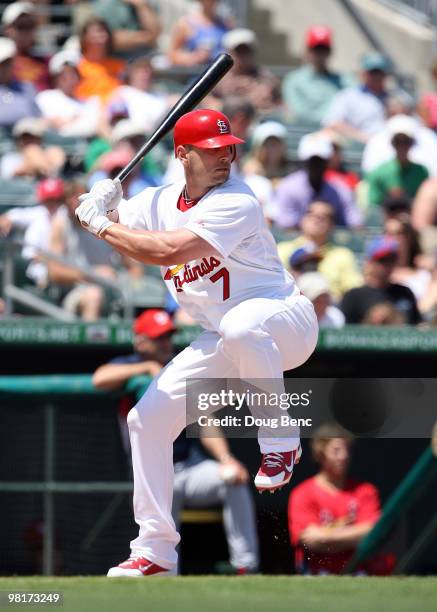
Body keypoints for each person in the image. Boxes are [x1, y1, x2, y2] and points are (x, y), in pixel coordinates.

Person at [74, 107, 319, 577]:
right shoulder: (159, 201)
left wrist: (102, 224)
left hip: (284, 320)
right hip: (224, 336)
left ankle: (281, 441)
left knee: (243, 326)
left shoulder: (237, 200)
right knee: (146, 421)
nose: (225, 157)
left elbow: (165, 251)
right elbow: (119, 224)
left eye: (228, 149)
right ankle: (156, 551)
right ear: (182, 155)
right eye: (212, 151)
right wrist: (100, 200)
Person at [93, 308, 259, 574]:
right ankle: (166, 575)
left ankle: (246, 567)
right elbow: (99, 378)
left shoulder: (179, 366)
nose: (165, 342)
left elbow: (205, 420)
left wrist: (227, 459)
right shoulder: (128, 363)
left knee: (233, 480)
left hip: (189, 467)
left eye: (168, 336)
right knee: (161, 529)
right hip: (154, 471)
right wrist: (145, 368)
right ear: (140, 341)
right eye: (158, 337)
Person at [288, 423, 394, 575]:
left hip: (359, 572)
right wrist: (354, 536)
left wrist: (325, 535)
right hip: (316, 573)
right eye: (336, 450)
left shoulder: (365, 491)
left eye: (346, 449)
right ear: (320, 454)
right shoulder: (302, 493)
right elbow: (308, 540)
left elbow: (373, 533)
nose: (344, 456)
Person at [47, 179, 120, 321]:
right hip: (76, 290)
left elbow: (131, 263)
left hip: (112, 287)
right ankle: (93, 342)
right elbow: (55, 272)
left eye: (80, 197)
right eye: (72, 198)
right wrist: (93, 274)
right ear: (65, 202)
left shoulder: (105, 219)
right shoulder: (60, 224)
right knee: (93, 295)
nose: (76, 203)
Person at [277, 200, 362, 302]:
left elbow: (353, 289)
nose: (317, 219)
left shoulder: (342, 255)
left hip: (330, 309)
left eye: (324, 217)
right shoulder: (282, 249)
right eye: (311, 214)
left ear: (332, 225)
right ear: (302, 220)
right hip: (290, 306)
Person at [271, 133, 361, 230]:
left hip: (330, 244)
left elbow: (355, 222)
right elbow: (286, 225)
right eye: (312, 161)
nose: (316, 165)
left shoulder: (339, 190)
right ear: (304, 161)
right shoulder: (288, 187)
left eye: (320, 161)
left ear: (327, 162)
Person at [0, 177, 65, 287]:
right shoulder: (38, 213)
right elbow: (8, 218)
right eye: (48, 200)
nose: (52, 204)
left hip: (54, 268)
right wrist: (6, 221)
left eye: (56, 200)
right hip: (30, 266)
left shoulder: (64, 216)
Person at [340, 236, 421, 325]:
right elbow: (346, 334)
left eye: (392, 259)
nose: (388, 264)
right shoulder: (354, 296)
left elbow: (417, 326)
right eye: (383, 260)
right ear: (370, 262)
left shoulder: (405, 292)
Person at [282, 26, 346, 125]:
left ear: (330, 51)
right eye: (316, 49)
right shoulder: (294, 80)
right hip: (302, 131)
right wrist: (328, 120)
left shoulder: (344, 80)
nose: (320, 54)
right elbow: (298, 111)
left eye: (323, 49)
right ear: (307, 51)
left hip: (334, 133)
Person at [322, 53, 392, 142]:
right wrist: (362, 137)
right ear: (363, 73)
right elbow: (333, 123)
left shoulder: (394, 99)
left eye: (379, 73)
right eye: (372, 72)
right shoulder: (348, 96)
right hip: (357, 148)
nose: (376, 76)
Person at [213, 28, 281, 114]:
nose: (242, 56)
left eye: (246, 51)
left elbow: (279, 105)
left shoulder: (266, 78)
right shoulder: (217, 77)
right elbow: (208, 102)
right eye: (238, 51)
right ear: (229, 52)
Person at [36, 49, 101, 138]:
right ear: (56, 77)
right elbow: (55, 125)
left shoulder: (89, 102)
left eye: (73, 74)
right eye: (65, 74)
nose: (70, 79)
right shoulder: (45, 97)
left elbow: (93, 127)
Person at [366, 116, 428, 207]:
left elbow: (425, 202)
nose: (402, 147)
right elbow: (374, 202)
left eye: (406, 142)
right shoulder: (379, 172)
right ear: (393, 143)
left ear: (411, 144)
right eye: (398, 142)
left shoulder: (421, 171)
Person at [75, 17, 126, 103]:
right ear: (85, 37)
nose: (100, 35)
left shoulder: (119, 66)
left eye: (103, 31)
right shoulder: (77, 66)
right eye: (96, 31)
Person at [2, 1, 50, 91]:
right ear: (7, 29)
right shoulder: (2, 63)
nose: (26, 32)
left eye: (30, 26)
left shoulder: (46, 62)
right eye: (21, 26)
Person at [168, 0, 232, 67]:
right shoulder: (186, 23)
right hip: (197, 74)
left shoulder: (226, 24)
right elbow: (172, 55)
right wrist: (194, 57)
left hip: (223, 73)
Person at [92, 0, 161, 59]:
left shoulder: (147, 3)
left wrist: (141, 5)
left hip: (147, 62)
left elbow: (156, 31)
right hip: (116, 64)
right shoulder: (103, 5)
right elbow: (110, 39)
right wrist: (147, 38)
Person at [0, 118, 65, 179]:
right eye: (24, 137)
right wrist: (31, 164)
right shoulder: (10, 158)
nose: (28, 140)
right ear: (18, 140)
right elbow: (8, 180)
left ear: (39, 138)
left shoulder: (50, 153)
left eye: (32, 137)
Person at [0, 37, 40, 129]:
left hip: (27, 139)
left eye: (7, 63)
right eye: (2, 64)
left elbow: (37, 117)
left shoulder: (27, 87)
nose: (4, 68)